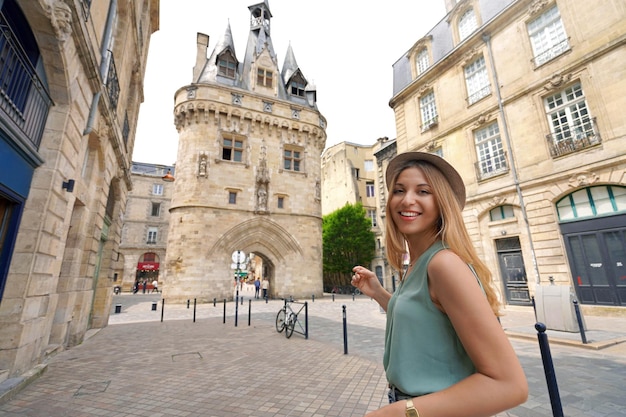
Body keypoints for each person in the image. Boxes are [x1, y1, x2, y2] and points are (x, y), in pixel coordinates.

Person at [351, 152, 528, 417]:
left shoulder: (443, 264)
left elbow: (510, 386)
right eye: (399, 190)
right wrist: (379, 294)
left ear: (442, 204)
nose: (407, 199)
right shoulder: (418, 264)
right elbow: (425, 322)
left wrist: (402, 412)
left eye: (423, 191)